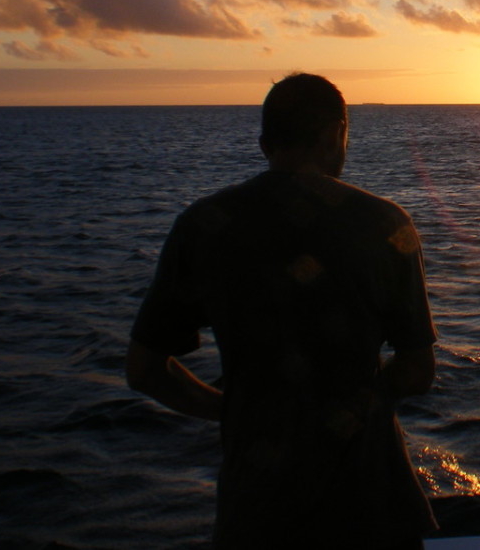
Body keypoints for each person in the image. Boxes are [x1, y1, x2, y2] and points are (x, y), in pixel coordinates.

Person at [127, 73, 437, 549]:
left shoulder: (203, 225)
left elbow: (145, 370)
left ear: (264, 144)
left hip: (256, 508)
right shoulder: (385, 223)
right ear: (335, 135)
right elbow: (416, 371)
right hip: (369, 502)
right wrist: (349, 407)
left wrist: (230, 410)